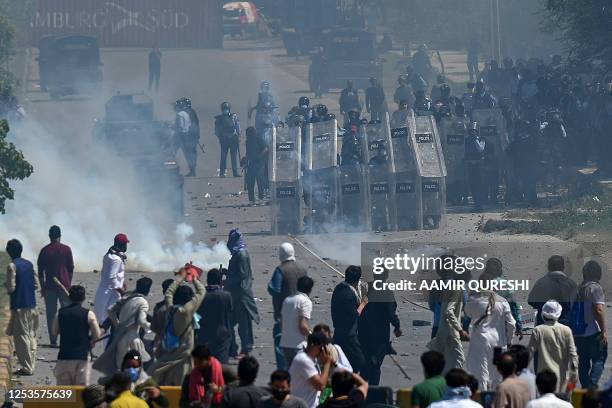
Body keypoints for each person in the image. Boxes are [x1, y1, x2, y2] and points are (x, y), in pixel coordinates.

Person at [149, 272, 205, 386]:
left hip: (168, 354)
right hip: (183, 357)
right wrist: (193, 278)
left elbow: (169, 293)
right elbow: (201, 292)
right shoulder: (187, 312)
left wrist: (179, 278)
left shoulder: (170, 309)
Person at [465, 273, 516, 390]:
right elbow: (511, 324)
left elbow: (467, 313)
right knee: (497, 375)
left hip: (480, 342)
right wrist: (509, 341)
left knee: (481, 374)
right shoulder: (503, 301)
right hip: (499, 343)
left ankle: (483, 400)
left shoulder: (474, 299)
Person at [93, 277, 153, 376]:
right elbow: (142, 321)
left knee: (121, 367)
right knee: (137, 367)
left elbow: (110, 310)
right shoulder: (142, 302)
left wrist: (117, 324)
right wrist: (151, 327)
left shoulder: (127, 299)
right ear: (147, 290)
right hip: (133, 340)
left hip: (120, 339)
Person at [268, 243, 308, 370]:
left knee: (281, 345)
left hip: (284, 315)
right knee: (299, 344)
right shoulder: (302, 268)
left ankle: (284, 374)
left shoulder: (281, 269)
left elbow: (274, 289)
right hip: (302, 313)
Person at [52, 285, 100, 385]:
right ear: (83, 298)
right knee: (80, 393)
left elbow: (54, 332)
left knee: (64, 393)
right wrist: (90, 340)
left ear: (69, 297)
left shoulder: (60, 313)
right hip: (82, 357)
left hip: (64, 356)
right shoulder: (89, 314)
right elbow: (97, 335)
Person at [358, 275, 402, 385]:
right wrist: (397, 326)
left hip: (363, 333)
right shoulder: (386, 291)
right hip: (379, 335)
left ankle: (362, 392)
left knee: (365, 365)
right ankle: (372, 393)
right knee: (375, 365)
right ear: (386, 276)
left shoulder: (367, 288)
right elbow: (390, 313)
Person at [5, 239, 39, 376]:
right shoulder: (29, 264)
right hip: (32, 305)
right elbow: (36, 284)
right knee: (31, 335)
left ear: (9, 252)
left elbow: (11, 288)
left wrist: (6, 285)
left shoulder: (12, 266)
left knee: (21, 338)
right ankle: (31, 363)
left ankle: (27, 367)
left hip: (20, 306)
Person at [428, 258, 469, 373]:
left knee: (436, 364)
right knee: (456, 362)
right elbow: (464, 304)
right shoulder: (460, 286)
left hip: (437, 327)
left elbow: (431, 305)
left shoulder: (436, 284)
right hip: (453, 329)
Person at [528, 300, 578, 392]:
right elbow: (573, 355)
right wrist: (574, 375)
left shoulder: (538, 330)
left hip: (543, 377)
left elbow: (529, 353)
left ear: (543, 313)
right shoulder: (566, 330)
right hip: (561, 377)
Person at [37, 225, 74, 347]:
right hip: (64, 286)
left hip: (50, 287)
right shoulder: (66, 249)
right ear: (60, 236)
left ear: (49, 236)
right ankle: (67, 339)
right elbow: (70, 268)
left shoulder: (44, 251)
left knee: (51, 314)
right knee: (67, 313)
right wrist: (68, 282)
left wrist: (42, 287)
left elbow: (40, 272)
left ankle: (53, 340)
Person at [225, 229, 260, 358]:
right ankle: (232, 349)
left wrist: (227, 280)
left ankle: (246, 349)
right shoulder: (238, 254)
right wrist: (226, 273)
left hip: (242, 296)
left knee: (243, 325)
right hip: (235, 294)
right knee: (229, 322)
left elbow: (242, 275)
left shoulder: (242, 254)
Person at [573, 260, 608, 388]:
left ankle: (585, 387)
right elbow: (598, 309)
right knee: (599, 359)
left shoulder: (578, 287)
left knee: (583, 362)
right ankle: (590, 386)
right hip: (593, 332)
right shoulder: (595, 288)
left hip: (578, 332)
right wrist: (604, 330)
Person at [331, 266, 365, 373]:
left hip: (340, 331)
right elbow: (354, 314)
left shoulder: (340, 287)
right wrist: (363, 304)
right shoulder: (347, 294)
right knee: (359, 361)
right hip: (348, 335)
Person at [528, 255, 578, 325]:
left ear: (548, 267)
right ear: (563, 267)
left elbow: (531, 301)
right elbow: (576, 305)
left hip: (543, 324)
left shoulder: (540, 282)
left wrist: (545, 308)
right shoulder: (571, 284)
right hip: (565, 324)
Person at [197, 269, 233, 364]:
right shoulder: (226, 296)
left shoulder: (200, 296)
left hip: (204, 335)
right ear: (220, 281)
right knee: (221, 367)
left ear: (208, 281)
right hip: (222, 336)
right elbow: (230, 312)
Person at [289, 332, 332, 408]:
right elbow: (320, 385)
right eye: (322, 347)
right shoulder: (304, 360)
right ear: (313, 346)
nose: (323, 351)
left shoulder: (311, 359)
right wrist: (327, 363)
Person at [94, 233, 129, 325]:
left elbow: (108, 273)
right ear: (122, 245)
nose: (126, 246)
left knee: (104, 317)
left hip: (105, 289)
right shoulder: (116, 259)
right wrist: (121, 291)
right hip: (111, 293)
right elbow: (112, 278)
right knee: (108, 319)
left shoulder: (109, 254)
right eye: (125, 244)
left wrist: (122, 281)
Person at [280, 276, 314, 367]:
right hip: (298, 344)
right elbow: (302, 325)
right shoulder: (306, 301)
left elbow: (282, 323)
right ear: (310, 289)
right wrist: (311, 336)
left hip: (285, 343)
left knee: (290, 371)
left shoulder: (287, 300)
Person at [215, 102, 241, 178]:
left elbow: (217, 131)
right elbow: (238, 127)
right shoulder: (234, 116)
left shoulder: (219, 119)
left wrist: (220, 137)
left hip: (224, 139)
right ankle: (235, 172)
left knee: (223, 157)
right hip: (233, 139)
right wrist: (239, 136)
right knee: (233, 157)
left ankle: (222, 173)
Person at [174, 98, 199, 177]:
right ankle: (192, 171)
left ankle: (191, 171)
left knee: (187, 153)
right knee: (190, 154)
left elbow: (182, 126)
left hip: (186, 135)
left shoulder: (182, 113)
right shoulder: (190, 112)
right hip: (191, 135)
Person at [464, 121, 486, 211]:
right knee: (472, 186)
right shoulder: (467, 140)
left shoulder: (481, 139)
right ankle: (476, 205)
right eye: (471, 131)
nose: (472, 133)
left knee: (479, 185)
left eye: (474, 131)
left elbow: (480, 149)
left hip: (479, 165)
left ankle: (480, 205)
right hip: (470, 165)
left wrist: (475, 139)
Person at [245, 126, 267, 204]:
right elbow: (248, 152)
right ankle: (251, 199)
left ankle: (261, 197)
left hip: (259, 163)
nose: (249, 134)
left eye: (250, 132)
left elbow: (265, 149)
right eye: (248, 133)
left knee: (260, 180)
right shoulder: (248, 141)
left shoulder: (259, 139)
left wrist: (259, 156)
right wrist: (245, 160)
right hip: (251, 163)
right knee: (250, 181)